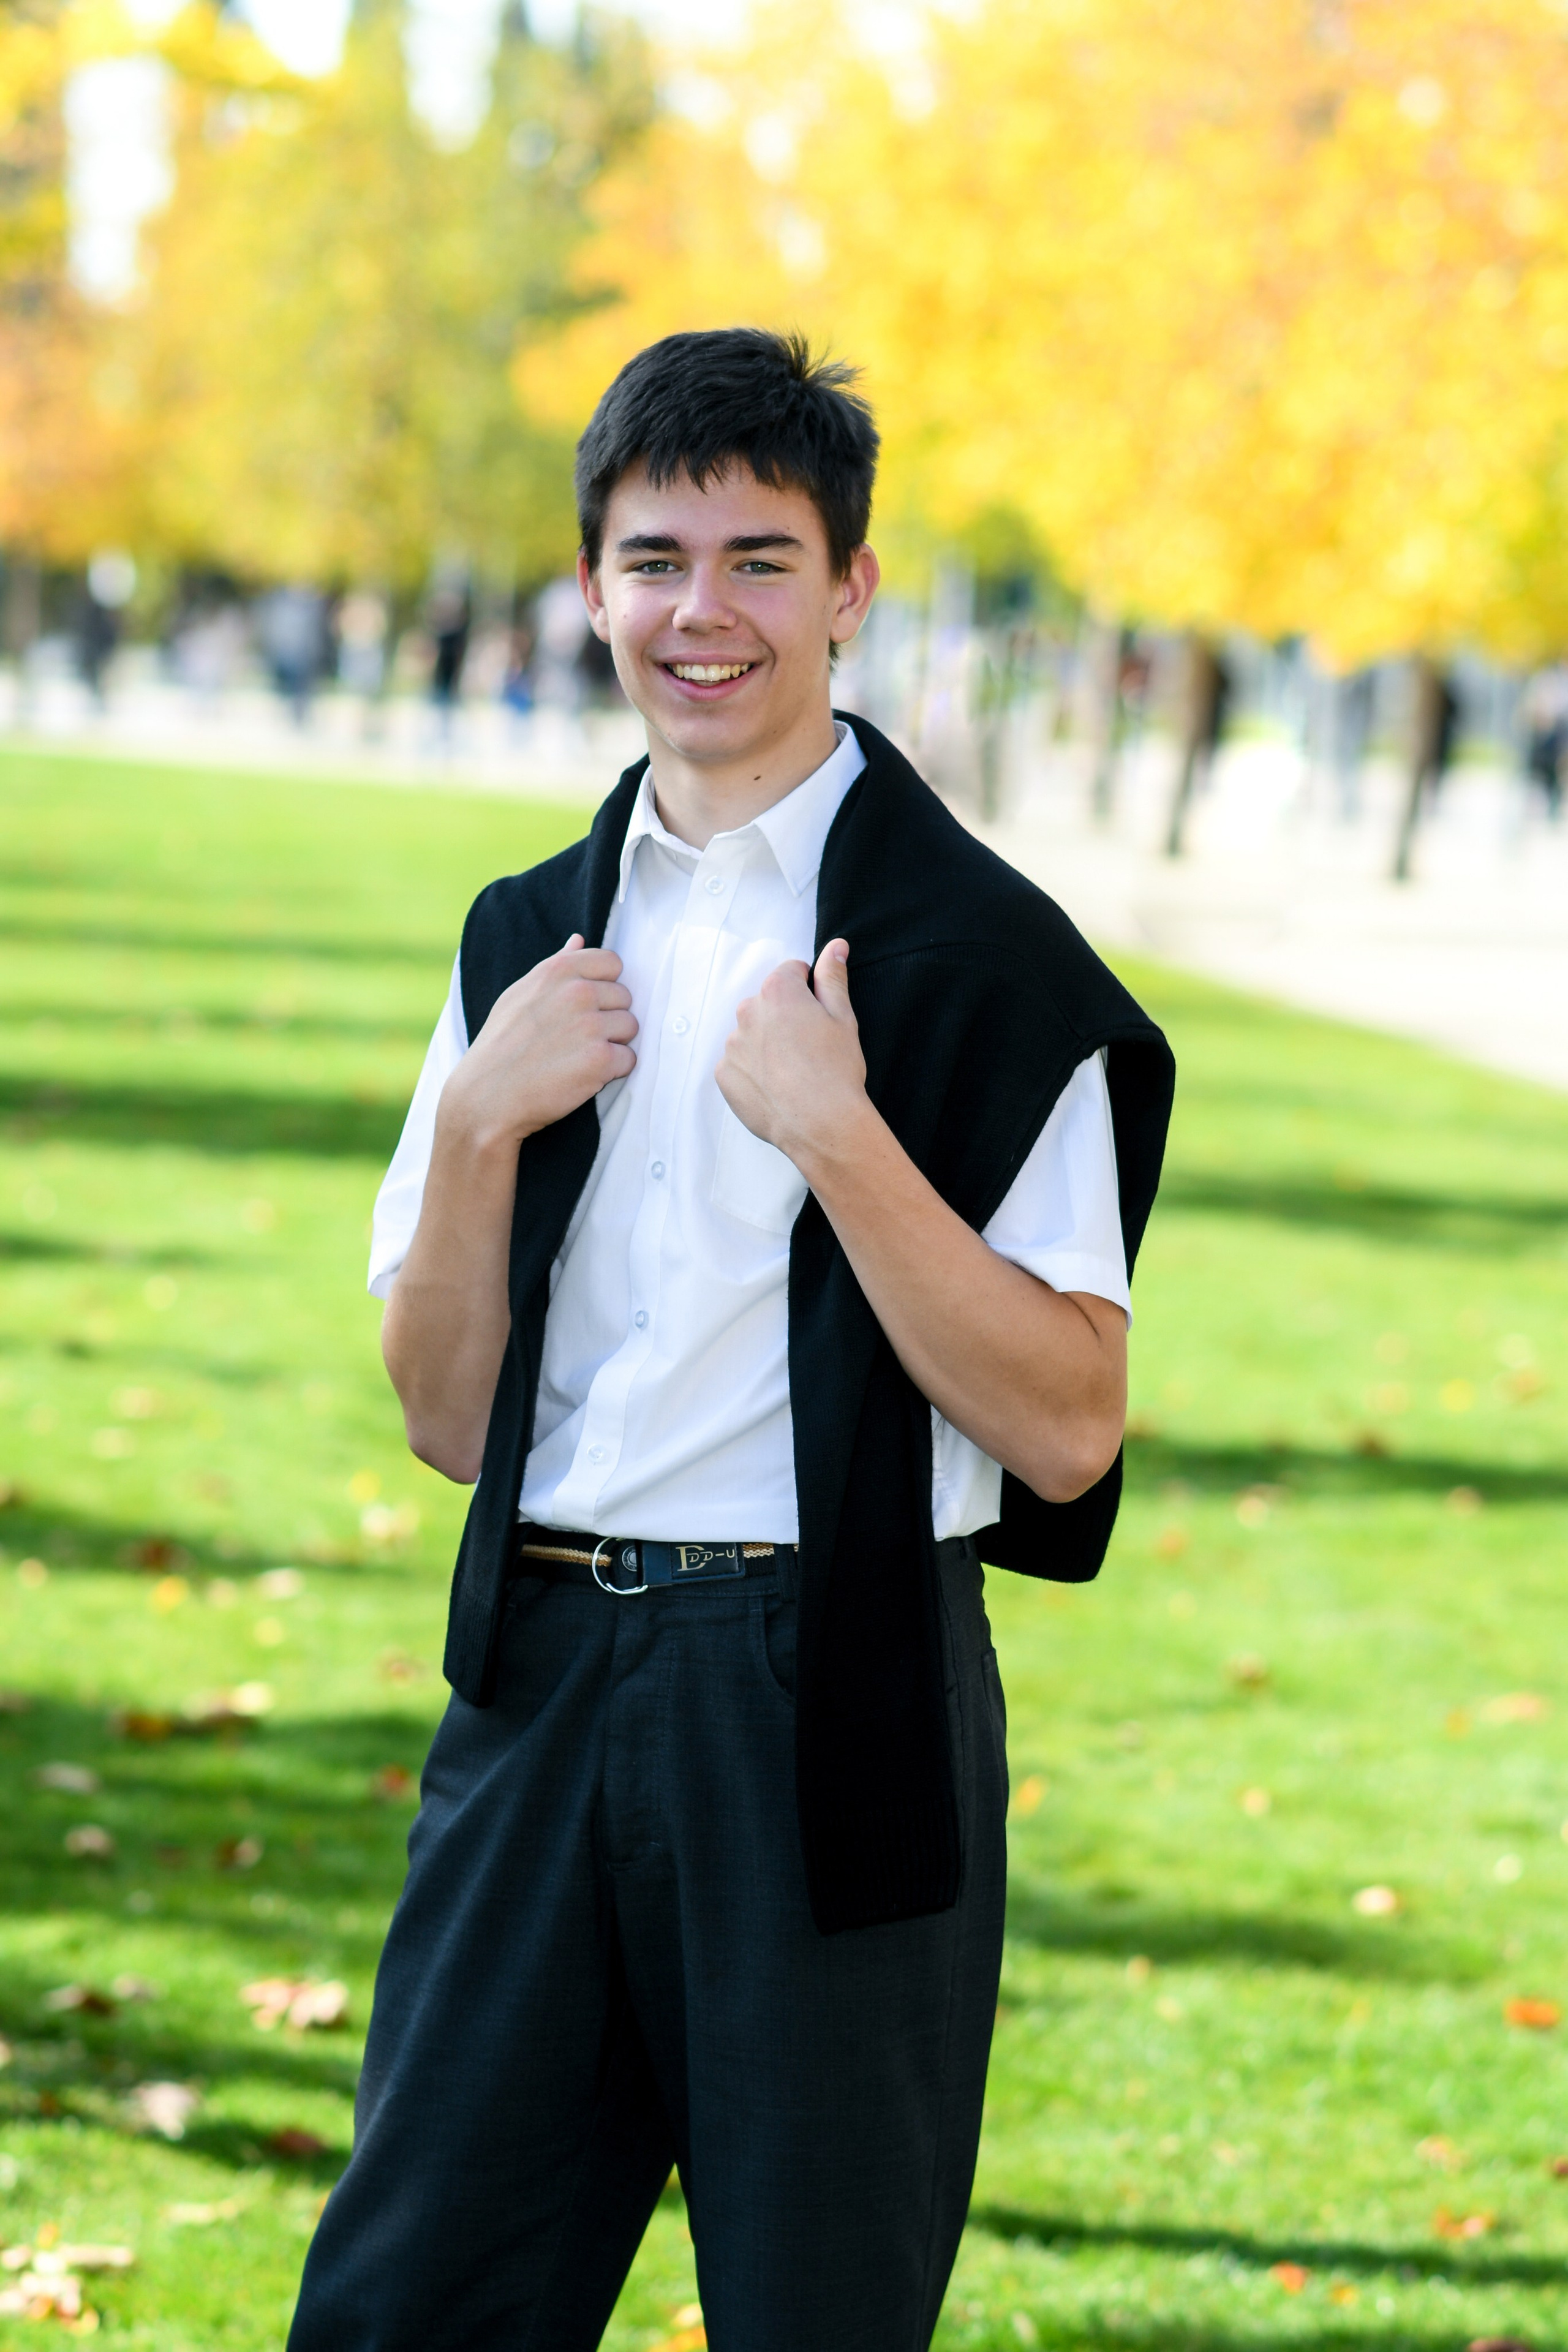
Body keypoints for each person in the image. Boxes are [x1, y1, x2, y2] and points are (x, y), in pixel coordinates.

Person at [288, 328, 1174, 2352]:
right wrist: (482, 1125)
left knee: (815, 2310)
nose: (706, 613)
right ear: (590, 586)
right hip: (538, 1684)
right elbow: (442, 1415)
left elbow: (1067, 1425)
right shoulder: (528, 942)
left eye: (764, 561)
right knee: (404, 2305)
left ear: (851, 592)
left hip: (825, 1700)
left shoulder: (981, 960)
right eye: (657, 557)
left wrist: (841, 1136)